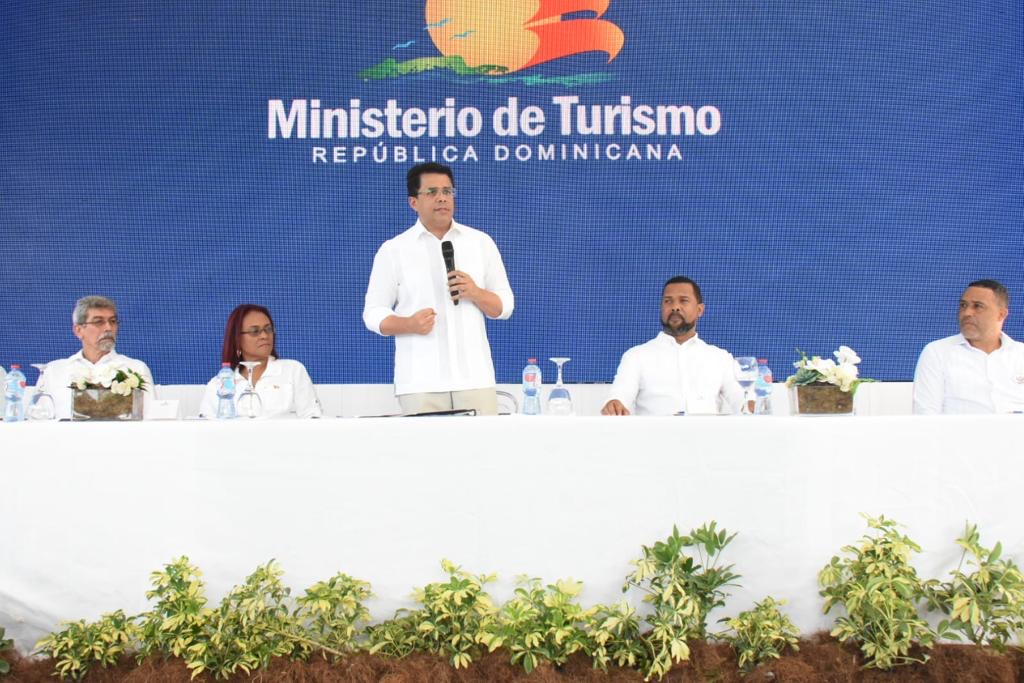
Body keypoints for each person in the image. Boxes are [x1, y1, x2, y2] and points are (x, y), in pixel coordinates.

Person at [363, 162, 514, 416]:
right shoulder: (394, 250)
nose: (442, 198)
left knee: (484, 444)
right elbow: (373, 313)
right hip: (420, 384)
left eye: (447, 191)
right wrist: (408, 324)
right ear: (413, 202)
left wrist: (476, 293)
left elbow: (505, 306)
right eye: (432, 192)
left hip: (475, 380)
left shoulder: (480, 243)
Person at [602, 276, 744, 416]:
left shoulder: (720, 358)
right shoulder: (636, 356)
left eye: (684, 300)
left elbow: (743, 402)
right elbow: (620, 395)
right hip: (654, 432)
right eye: (668, 301)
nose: (675, 307)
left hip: (706, 432)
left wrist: (750, 404)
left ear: (700, 310)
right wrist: (614, 403)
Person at [913, 279, 1024, 414]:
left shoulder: (1020, 354)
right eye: (963, 305)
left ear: (1001, 314)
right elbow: (925, 415)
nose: (967, 313)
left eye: (978, 306)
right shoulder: (938, 352)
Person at [37, 295, 155, 420]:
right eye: (99, 322)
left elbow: (152, 419)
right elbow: (38, 419)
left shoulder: (136, 369)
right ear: (78, 330)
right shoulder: (54, 371)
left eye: (113, 321)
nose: (108, 328)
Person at [199, 304, 322, 419]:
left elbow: (313, 417)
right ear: (237, 338)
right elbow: (206, 427)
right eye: (254, 331)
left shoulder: (292, 370)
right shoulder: (219, 384)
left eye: (268, 329)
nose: (264, 336)